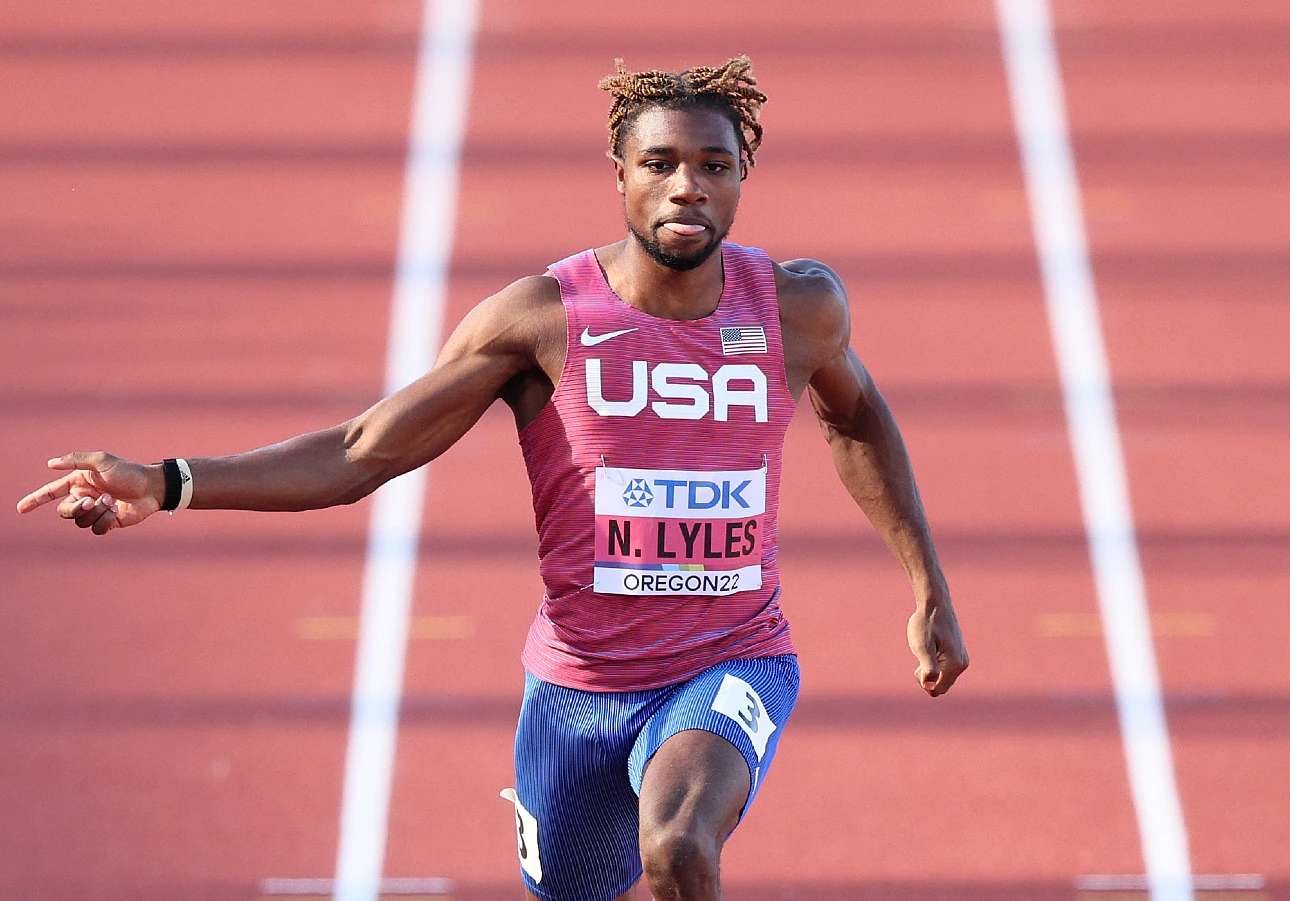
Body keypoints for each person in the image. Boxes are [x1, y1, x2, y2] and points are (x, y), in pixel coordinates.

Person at [17, 56, 967, 901]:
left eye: (714, 167)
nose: (688, 187)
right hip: (578, 684)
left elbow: (856, 417)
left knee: (680, 847)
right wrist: (171, 481)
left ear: (742, 178)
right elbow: (361, 452)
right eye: (661, 165)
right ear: (621, 177)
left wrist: (927, 584)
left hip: (731, 655)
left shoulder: (798, 307)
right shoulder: (542, 319)